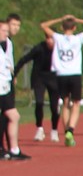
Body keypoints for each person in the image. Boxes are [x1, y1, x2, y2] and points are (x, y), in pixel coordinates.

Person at [41, 15, 83, 147]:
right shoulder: (78, 38)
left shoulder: (58, 37)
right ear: (74, 28)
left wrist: (59, 18)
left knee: (65, 103)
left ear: (62, 27)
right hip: (74, 74)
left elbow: (44, 25)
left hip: (61, 74)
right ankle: (71, 131)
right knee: (76, 103)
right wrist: (77, 20)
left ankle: (67, 130)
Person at [24, 26, 55, 143]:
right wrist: (14, 73)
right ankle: (39, 128)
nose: (49, 40)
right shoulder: (39, 48)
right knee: (39, 103)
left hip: (53, 79)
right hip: (39, 78)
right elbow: (25, 59)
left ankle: (54, 129)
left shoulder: (59, 48)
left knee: (54, 106)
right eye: (47, 38)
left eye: (52, 38)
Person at [0, 14, 24, 161]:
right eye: (3, 30)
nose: (6, 32)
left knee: (12, 116)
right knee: (12, 116)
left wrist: (12, 75)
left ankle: (14, 149)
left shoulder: (8, 43)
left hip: (5, 86)